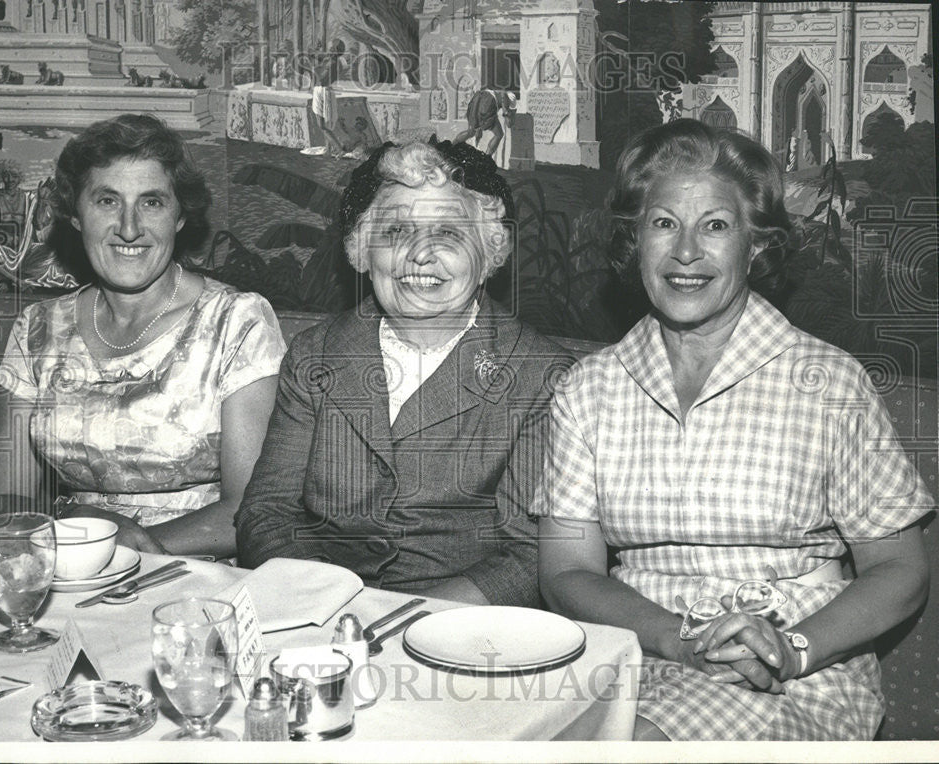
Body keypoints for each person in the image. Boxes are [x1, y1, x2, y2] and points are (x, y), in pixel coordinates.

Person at [534, 119, 933, 740]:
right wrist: (677, 637)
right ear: (634, 240)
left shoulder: (828, 382)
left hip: (795, 668)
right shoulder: (590, 387)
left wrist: (790, 648)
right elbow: (566, 570)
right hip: (639, 650)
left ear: (756, 245)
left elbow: (899, 569)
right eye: (664, 223)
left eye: (715, 226)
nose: (686, 251)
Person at [236, 138, 573, 606]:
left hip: (459, 630)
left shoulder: (544, 377)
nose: (420, 254)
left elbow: (527, 555)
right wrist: (320, 600)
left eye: (450, 233)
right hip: (317, 611)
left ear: (489, 253)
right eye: (395, 231)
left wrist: (404, 620)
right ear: (361, 251)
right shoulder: (315, 356)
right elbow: (268, 512)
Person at [0, 114, 287, 558]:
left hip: (197, 575)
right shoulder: (37, 330)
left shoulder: (237, 322)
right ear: (74, 213)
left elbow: (250, 510)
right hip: (64, 565)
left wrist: (113, 547)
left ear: (179, 216)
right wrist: (73, 541)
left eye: (152, 202)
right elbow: (5, 505)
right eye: (107, 200)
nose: (129, 228)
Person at [454, 88, 517, 157]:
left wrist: (479, 128)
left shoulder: (492, 92)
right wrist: (509, 115)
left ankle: (453, 145)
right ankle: (487, 157)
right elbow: (508, 122)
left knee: (471, 131)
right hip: (488, 103)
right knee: (499, 134)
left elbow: (480, 111)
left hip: (476, 100)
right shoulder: (505, 98)